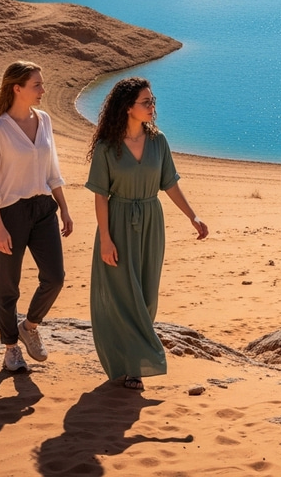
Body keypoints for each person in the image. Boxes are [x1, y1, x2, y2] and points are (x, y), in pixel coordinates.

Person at [86, 77, 209, 390]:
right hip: (117, 222)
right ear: (128, 108)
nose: (153, 107)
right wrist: (106, 239)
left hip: (151, 222)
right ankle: (132, 367)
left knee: (147, 295)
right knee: (124, 296)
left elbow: (169, 183)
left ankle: (134, 361)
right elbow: (100, 195)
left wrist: (192, 216)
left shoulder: (159, 141)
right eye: (146, 102)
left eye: (153, 101)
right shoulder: (106, 147)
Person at [0, 61, 73, 372]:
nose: (43, 90)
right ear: (16, 88)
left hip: (44, 209)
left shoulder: (44, 120)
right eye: (37, 85)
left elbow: (52, 170)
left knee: (55, 277)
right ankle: (10, 349)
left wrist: (64, 207)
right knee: (8, 286)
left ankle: (29, 326)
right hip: (10, 213)